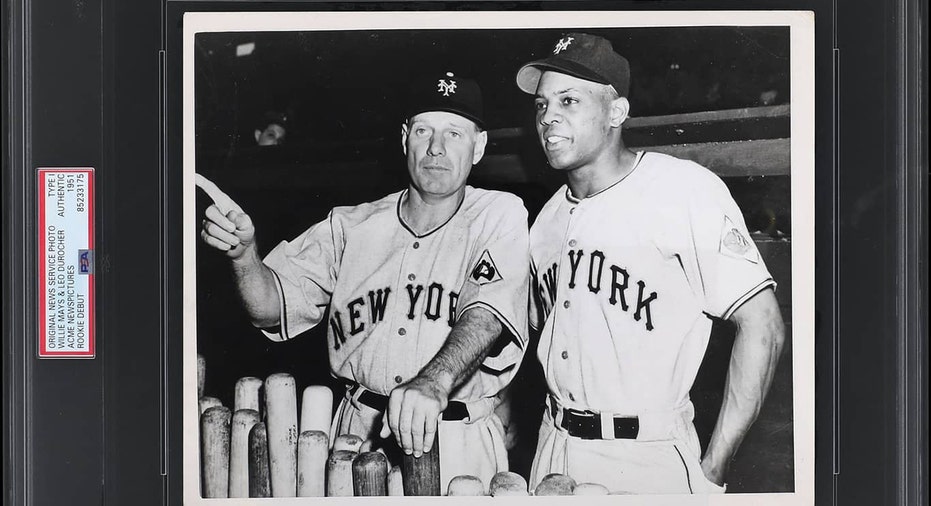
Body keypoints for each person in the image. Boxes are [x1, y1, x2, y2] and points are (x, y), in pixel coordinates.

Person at [200, 71, 529, 492]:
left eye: (454, 133)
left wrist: (433, 381)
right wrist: (244, 256)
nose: (436, 148)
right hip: (357, 432)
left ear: (479, 146)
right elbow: (269, 307)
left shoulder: (499, 215)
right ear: (405, 137)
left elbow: (488, 312)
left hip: (458, 438)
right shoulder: (350, 225)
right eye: (424, 130)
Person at [515, 33, 786, 494]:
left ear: (616, 113)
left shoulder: (680, 190)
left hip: (646, 456)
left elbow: (763, 326)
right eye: (542, 105)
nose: (549, 117)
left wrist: (714, 467)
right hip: (553, 449)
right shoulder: (547, 220)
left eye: (569, 100)